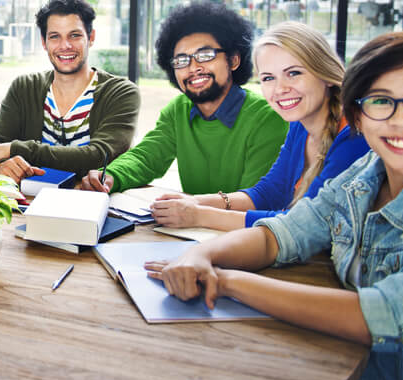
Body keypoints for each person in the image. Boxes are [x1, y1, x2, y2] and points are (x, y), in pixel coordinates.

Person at [148, 31, 403, 380]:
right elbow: (285, 233)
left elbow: (386, 314)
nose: (401, 120)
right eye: (381, 102)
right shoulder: (361, 178)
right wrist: (202, 254)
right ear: (359, 114)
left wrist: (226, 280)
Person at [150, 22, 369, 230]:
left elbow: (302, 224)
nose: (280, 88)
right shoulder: (299, 126)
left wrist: (199, 215)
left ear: (326, 74)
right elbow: (268, 193)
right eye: (268, 78)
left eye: (293, 73)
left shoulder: (355, 136)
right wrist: (193, 201)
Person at [80, 1, 286, 195]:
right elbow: (146, 158)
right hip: (193, 227)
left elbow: (255, 200)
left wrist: (192, 210)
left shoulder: (267, 118)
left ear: (233, 60)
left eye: (205, 55)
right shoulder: (179, 110)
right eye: (181, 60)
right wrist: (110, 176)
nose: (193, 68)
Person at [0, 0, 139, 182]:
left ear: (91, 37)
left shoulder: (121, 92)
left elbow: (98, 156)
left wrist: (14, 149)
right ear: (44, 42)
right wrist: (3, 163)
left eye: (75, 35)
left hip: (92, 201)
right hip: (30, 201)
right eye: (55, 37)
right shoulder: (25, 87)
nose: (65, 46)